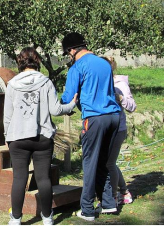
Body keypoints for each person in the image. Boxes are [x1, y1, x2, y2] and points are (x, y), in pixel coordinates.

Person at [3, 47, 78, 225]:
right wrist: (72, 104)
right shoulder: (46, 82)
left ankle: (15, 218)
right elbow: (56, 110)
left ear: (20, 61)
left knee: (19, 178)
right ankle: (47, 217)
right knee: (43, 178)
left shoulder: (12, 84)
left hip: (18, 138)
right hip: (42, 137)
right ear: (37, 61)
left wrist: (8, 137)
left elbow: (7, 116)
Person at [60, 32, 121, 221]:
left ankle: (87, 209)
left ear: (71, 50)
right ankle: (109, 203)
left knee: (90, 163)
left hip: (94, 118)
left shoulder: (77, 67)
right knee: (104, 161)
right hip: (114, 116)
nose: (69, 57)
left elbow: (68, 97)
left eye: (67, 54)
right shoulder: (104, 63)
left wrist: (63, 107)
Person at [102, 56, 136, 205]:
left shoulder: (120, 84)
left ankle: (113, 196)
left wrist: (120, 97)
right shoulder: (99, 83)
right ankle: (123, 190)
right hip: (104, 128)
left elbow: (132, 106)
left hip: (118, 129)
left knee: (109, 163)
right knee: (108, 162)